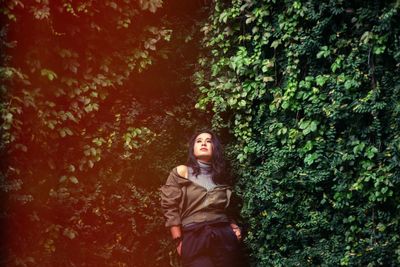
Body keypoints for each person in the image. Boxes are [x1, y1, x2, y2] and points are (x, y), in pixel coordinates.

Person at [160, 129, 244, 267]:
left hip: (224, 236)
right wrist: (178, 240)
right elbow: (170, 207)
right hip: (194, 235)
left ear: (214, 148)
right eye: (199, 141)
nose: (203, 143)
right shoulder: (182, 172)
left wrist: (234, 228)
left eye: (208, 141)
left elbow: (225, 210)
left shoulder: (220, 177)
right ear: (193, 148)